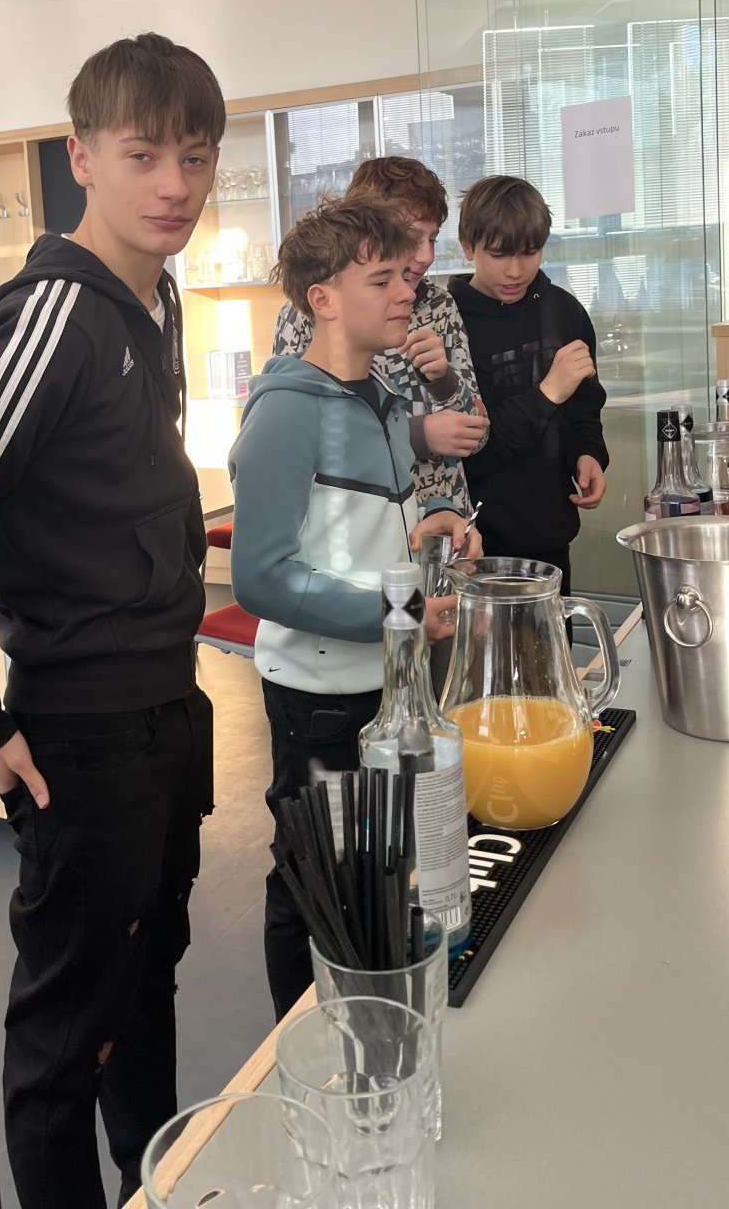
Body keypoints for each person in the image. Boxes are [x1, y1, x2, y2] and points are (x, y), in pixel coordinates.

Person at [0, 34, 223, 1209]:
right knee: (63, 1030)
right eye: (142, 155)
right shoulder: (48, 316)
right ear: (81, 157)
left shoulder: (153, 298)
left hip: (167, 704)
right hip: (79, 731)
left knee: (149, 979)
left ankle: (157, 1183)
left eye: (195, 157)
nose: (174, 185)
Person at [229, 200, 479, 1020]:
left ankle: (369, 1022)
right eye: (382, 279)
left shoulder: (378, 397)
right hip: (319, 698)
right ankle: (300, 1041)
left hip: (386, 683)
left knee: (373, 870)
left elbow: (362, 528)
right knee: (313, 882)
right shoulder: (286, 413)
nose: (407, 292)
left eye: (405, 275)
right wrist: (399, 609)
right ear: (323, 299)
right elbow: (262, 579)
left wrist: (430, 523)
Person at [272, 156, 486, 511]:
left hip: (446, 518)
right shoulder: (307, 313)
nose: (426, 256)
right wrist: (418, 435)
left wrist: (443, 380)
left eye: (433, 238)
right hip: (361, 522)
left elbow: (478, 434)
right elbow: (295, 440)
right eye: (412, 237)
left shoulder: (439, 305)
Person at [448, 176, 608, 593]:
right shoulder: (451, 326)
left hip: (552, 542)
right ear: (467, 247)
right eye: (499, 254)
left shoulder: (564, 312)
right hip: (475, 551)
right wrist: (547, 394)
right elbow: (470, 455)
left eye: (530, 252)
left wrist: (588, 454)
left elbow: (585, 408)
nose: (515, 271)